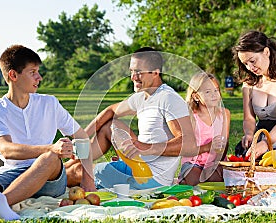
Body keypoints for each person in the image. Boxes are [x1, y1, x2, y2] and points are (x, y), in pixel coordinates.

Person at [0, 45, 95, 221]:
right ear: (13, 75)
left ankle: (2, 202)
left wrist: (88, 181)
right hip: (14, 174)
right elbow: (5, 150)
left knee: (49, 157)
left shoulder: (49, 103)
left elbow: (82, 137)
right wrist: (51, 147)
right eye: (32, 72)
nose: (39, 77)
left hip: (51, 178)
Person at [68, 47, 198, 190]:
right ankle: (73, 159)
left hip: (149, 178)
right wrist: (83, 135)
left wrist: (146, 148)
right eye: (132, 71)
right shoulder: (143, 96)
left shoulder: (168, 98)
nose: (133, 77)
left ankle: (54, 172)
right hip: (137, 166)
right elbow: (111, 110)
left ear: (155, 72)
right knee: (110, 126)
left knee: (75, 173)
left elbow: (189, 144)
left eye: (138, 72)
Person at [232, 30, 276, 158]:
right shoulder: (249, 84)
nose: (250, 68)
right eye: (245, 64)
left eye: (252, 61)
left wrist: (266, 143)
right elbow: (249, 118)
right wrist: (249, 134)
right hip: (261, 136)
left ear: (266, 52)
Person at [178, 72, 231, 186]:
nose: (214, 95)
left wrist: (217, 163)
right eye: (208, 92)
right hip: (193, 162)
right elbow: (186, 148)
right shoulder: (191, 117)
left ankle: (188, 181)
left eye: (216, 90)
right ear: (196, 96)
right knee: (196, 181)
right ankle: (186, 179)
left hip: (215, 161)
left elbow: (224, 143)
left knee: (217, 180)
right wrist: (208, 147)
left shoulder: (225, 114)